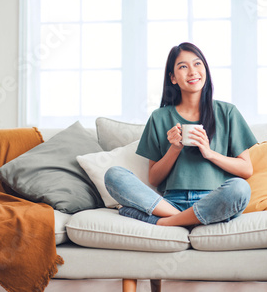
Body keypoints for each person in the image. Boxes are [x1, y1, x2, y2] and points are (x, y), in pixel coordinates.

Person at [104, 42, 257, 226]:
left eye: (197, 64)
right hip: (170, 202)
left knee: (240, 188)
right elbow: (154, 178)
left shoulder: (228, 112)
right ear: (173, 78)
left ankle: (166, 222)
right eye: (183, 66)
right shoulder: (159, 117)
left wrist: (209, 153)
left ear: (205, 70)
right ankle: (188, 219)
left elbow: (246, 170)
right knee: (113, 175)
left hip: (213, 200)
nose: (192, 71)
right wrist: (174, 150)